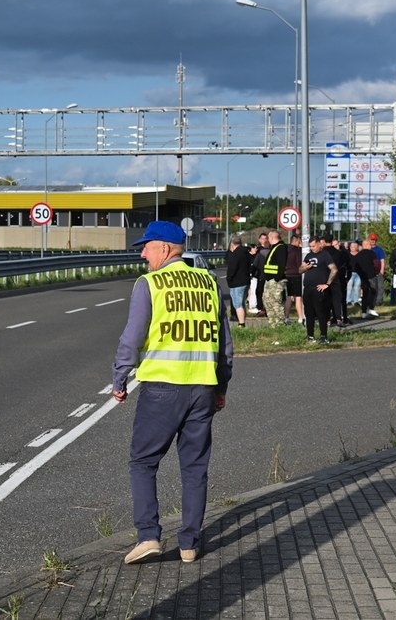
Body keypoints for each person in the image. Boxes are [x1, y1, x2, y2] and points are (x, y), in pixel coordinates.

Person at [112, 220, 233, 565]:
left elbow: (131, 338)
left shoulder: (150, 284)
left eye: (146, 248)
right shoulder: (209, 283)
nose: (143, 256)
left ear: (164, 248)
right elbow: (225, 342)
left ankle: (149, 535)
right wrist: (221, 385)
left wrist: (119, 379)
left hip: (163, 387)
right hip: (203, 387)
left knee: (143, 461)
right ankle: (189, 544)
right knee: (195, 467)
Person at [299, 235, 338, 343]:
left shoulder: (325, 255)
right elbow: (300, 270)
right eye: (310, 246)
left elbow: (334, 269)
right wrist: (304, 268)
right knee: (309, 313)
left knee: (321, 313)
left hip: (319, 289)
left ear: (319, 244)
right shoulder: (308, 255)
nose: (312, 248)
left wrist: (327, 284)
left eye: (313, 246)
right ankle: (310, 336)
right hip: (308, 288)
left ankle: (323, 336)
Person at [261, 230, 289, 325]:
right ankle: (272, 323)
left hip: (276, 281)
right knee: (268, 302)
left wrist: (277, 278)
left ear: (272, 237)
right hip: (270, 280)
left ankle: (279, 324)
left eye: (268, 238)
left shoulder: (281, 248)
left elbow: (281, 265)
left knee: (276, 303)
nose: (267, 240)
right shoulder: (274, 247)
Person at [224, 237, 251, 327]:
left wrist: (229, 279)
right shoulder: (246, 253)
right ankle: (242, 321)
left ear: (232, 244)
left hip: (237, 282)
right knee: (242, 303)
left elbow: (232, 268)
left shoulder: (235, 254)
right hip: (246, 281)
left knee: (237, 304)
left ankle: (241, 324)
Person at [351, 239, 378, 318]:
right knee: (373, 291)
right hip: (371, 275)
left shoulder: (358, 255)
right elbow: (376, 263)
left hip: (362, 276)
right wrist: (376, 272)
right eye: (370, 244)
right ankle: (371, 308)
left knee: (365, 294)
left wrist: (360, 274)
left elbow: (355, 266)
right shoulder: (372, 253)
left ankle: (363, 312)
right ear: (367, 245)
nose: (371, 246)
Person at [285, 234, 305, 325]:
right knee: (298, 297)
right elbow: (299, 264)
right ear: (297, 241)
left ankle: (286, 318)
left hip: (287, 275)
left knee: (289, 297)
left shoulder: (285, 249)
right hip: (296, 275)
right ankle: (300, 318)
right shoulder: (297, 251)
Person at [370, 234, 387, 307]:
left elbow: (382, 260)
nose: (373, 241)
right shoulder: (368, 249)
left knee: (380, 286)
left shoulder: (379, 249)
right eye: (371, 240)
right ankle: (372, 301)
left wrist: (382, 270)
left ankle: (379, 301)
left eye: (374, 240)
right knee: (372, 287)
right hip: (371, 272)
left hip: (379, 271)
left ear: (376, 241)